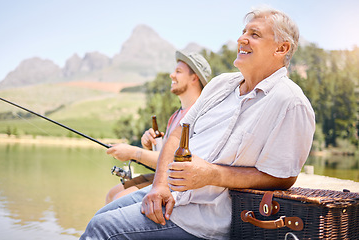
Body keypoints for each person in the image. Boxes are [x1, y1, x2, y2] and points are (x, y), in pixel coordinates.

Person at [80, 7, 315, 240]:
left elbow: (283, 177)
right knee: (100, 217)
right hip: (170, 194)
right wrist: (159, 185)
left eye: (254, 34)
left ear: (281, 48)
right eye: (243, 32)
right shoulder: (220, 84)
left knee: (102, 228)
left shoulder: (291, 103)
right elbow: (176, 135)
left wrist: (212, 175)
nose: (241, 39)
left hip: (203, 219)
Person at [105, 50, 212, 204]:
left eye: (178, 71)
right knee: (112, 194)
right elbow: (163, 156)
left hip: (178, 187)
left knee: (118, 198)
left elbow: (175, 162)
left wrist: (133, 152)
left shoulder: (200, 115)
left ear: (194, 77)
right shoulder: (175, 117)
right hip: (163, 177)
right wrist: (149, 146)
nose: (172, 75)